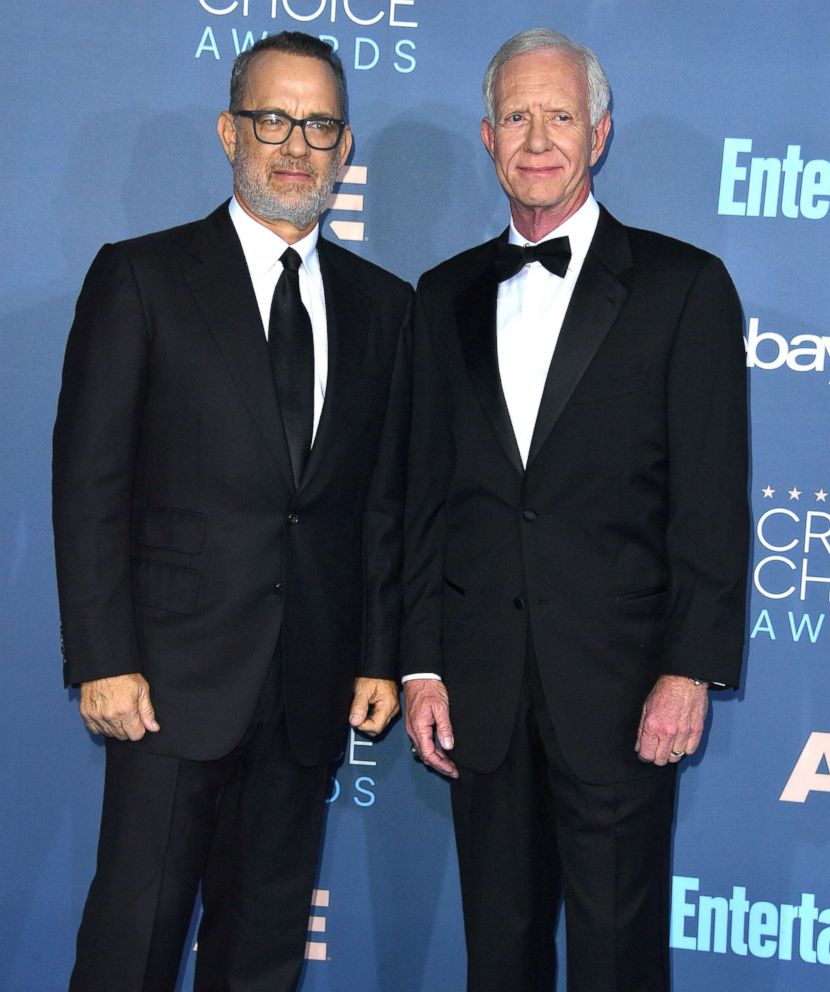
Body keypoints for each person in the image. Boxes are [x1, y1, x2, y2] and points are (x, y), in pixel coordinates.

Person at [53, 30, 411, 992]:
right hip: (165, 688)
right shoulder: (142, 277)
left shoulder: (387, 308)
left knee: (262, 956)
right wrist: (102, 656)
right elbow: (89, 484)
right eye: (274, 118)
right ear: (229, 131)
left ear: (344, 148)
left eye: (321, 124)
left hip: (306, 689)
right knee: (131, 947)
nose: (296, 143)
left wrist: (380, 651)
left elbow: (380, 503)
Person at [401, 27, 748, 992]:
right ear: (485, 135)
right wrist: (423, 665)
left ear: (599, 134)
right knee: (498, 957)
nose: (538, 137)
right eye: (517, 115)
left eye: (560, 115)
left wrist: (690, 669)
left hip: (624, 693)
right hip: (481, 694)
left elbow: (711, 501)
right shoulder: (442, 297)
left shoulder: (684, 288)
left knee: (615, 958)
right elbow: (422, 497)